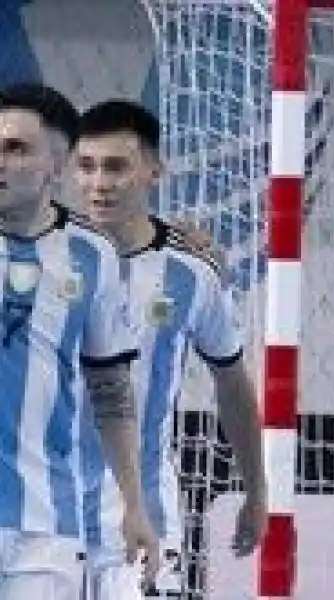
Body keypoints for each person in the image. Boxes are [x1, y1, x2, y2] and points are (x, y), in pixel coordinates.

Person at [72, 99, 267, 599]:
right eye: (87, 166)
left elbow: (232, 382)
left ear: (154, 171)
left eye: (116, 167)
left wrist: (257, 489)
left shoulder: (192, 272)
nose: (99, 183)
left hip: (144, 515)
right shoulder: (41, 257)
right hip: (40, 515)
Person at [0, 83, 158, 599]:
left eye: (15, 148)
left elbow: (110, 389)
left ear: (57, 163)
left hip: (46, 525)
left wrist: (134, 505)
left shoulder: (93, 256)